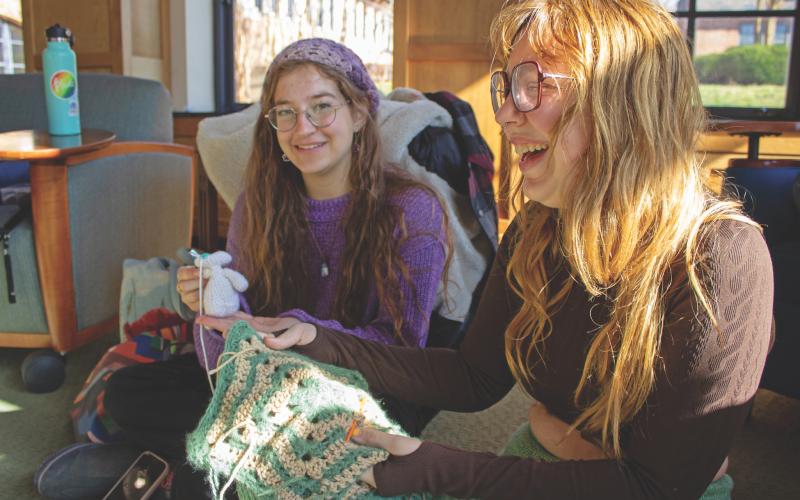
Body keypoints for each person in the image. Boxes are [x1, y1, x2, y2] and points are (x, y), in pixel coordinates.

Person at [200, 1, 774, 498]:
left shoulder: (721, 258)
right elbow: (474, 378)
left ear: (622, 98)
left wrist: (443, 467)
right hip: (532, 457)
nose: (503, 113)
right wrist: (324, 341)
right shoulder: (538, 229)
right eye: (507, 86)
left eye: (534, 85)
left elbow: (657, 488)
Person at [35, 38, 450, 500]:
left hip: (364, 392)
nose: (303, 127)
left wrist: (300, 331)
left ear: (358, 114)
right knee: (128, 393)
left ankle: (170, 469)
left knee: (209, 480)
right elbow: (231, 343)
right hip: (263, 383)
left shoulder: (411, 208)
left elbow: (403, 348)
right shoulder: (260, 203)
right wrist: (215, 312)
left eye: (322, 107)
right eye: (285, 112)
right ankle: (217, 466)